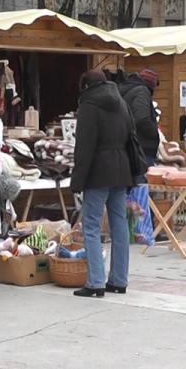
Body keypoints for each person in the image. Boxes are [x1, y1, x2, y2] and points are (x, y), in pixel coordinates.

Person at [71, 69, 133, 298]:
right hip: (121, 168)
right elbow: (131, 136)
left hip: (98, 171)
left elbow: (84, 147)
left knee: (91, 225)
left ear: (85, 86)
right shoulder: (121, 101)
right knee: (119, 224)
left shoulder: (89, 105)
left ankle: (95, 282)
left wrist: (77, 180)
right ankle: (119, 280)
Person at [118, 68, 160, 168]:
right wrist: (154, 134)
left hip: (129, 145)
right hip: (142, 147)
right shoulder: (141, 91)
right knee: (142, 180)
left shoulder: (126, 90)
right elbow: (142, 119)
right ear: (150, 85)